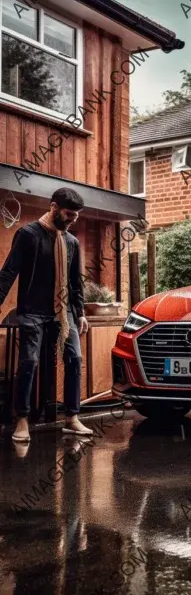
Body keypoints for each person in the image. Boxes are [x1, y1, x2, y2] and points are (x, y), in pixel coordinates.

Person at [0, 188, 93, 442]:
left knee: (75, 357)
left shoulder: (71, 242)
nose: (73, 219)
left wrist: (81, 313)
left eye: (76, 216)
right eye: (69, 214)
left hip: (63, 313)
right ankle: (22, 420)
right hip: (32, 312)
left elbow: (76, 283)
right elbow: (8, 272)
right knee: (29, 361)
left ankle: (72, 418)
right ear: (54, 207)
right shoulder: (28, 235)